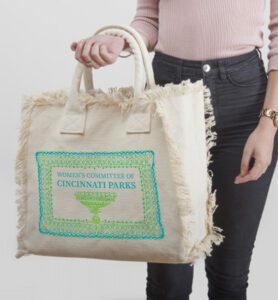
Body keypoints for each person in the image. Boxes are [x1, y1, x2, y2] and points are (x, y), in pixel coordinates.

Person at [70, 1, 278, 299]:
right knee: (167, 276)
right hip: (169, 94)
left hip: (242, 107)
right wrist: (120, 41)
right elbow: (149, 19)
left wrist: (268, 124)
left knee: (229, 275)